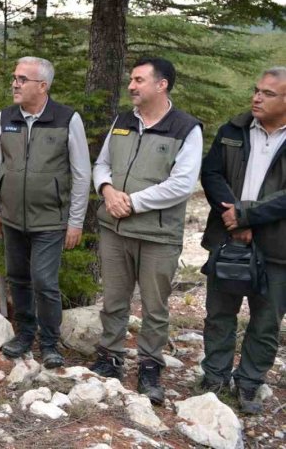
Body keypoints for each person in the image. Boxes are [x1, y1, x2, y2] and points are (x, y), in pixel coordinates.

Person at [90, 57, 202, 405]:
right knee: (114, 299)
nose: (131, 86)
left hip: (157, 235)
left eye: (139, 80)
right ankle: (110, 356)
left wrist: (133, 202)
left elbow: (182, 184)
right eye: (131, 80)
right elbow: (102, 163)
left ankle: (150, 366)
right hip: (114, 228)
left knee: (154, 306)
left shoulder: (186, 128)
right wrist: (107, 191)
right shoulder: (123, 120)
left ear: (161, 84)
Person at [0, 57, 90, 368]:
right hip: (12, 218)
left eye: (22, 79)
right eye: (14, 77)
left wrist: (75, 221)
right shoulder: (5, 117)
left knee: (44, 280)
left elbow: (82, 173)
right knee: (18, 277)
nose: (15, 84)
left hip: (50, 220)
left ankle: (49, 342)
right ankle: (25, 334)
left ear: (42, 86)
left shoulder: (66, 119)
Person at [199, 67, 286, 414]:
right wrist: (232, 218)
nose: (256, 97)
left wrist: (248, 216)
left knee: (266, 322)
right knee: (219, 313)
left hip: (278, 247)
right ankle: (214, 377)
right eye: (256, 90)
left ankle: (249, 383)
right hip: (228, 238)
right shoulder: (233, 130)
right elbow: (211, 174)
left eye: (267, 93)